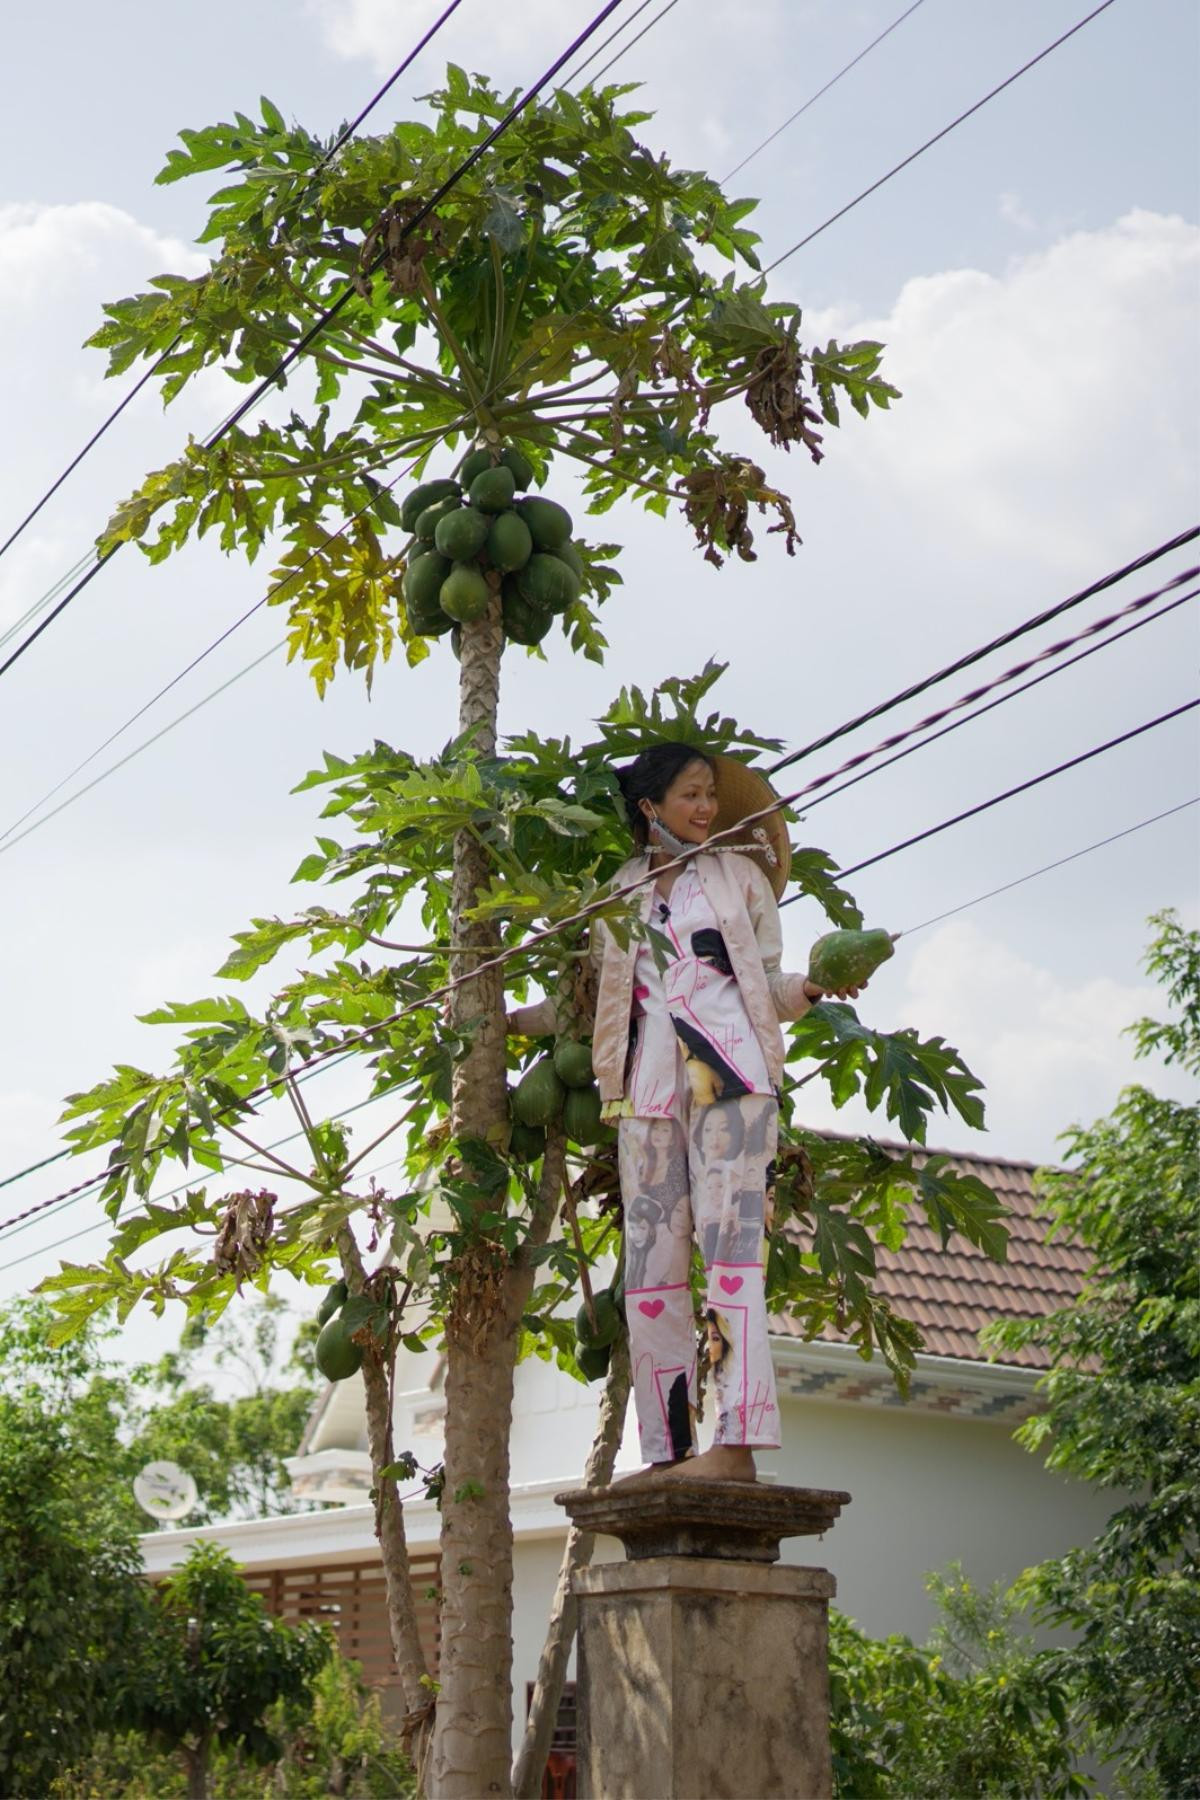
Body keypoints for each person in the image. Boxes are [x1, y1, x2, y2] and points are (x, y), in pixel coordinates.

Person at [508, 741, 867, 1484]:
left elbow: (767, 984)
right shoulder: (619, 894)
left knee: (732, 1262)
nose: (705, 808)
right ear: (649, 807)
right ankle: (667, 1450)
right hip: (645, 1093)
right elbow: (585, 1005)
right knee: (649, 1275)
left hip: (729, 1080)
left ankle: (735, 1446)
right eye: (689, 796)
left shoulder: (739, 878)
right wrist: (502, 1020)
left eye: (709, 794)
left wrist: (815, 988)